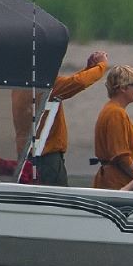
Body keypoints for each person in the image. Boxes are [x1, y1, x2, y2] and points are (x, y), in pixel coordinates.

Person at [10, 50, 108, 186]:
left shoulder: (20, 86)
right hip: (46, 160)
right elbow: (78, 82)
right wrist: (101, 66)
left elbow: (68, 83)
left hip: (26, 159)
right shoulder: (45, 86)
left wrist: (88, 69)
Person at [91, 65, 133, 190]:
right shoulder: (116, 113)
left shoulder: (111, 109)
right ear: (123, 87)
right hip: (118, 182)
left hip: (114, 178)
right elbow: (121, 156)